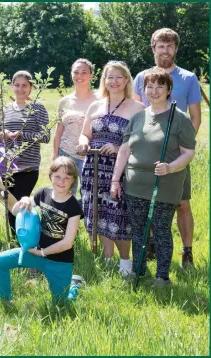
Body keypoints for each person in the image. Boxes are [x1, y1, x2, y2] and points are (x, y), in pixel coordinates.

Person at [112, 68, 196, 287]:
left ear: (169, 89)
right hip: (134, 185)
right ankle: (139, 271)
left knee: (161, 229)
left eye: (160, 86)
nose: (154, 91)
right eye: (150, 86)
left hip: (165, 184)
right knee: (138, 230)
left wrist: (170, 167)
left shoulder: (179, 119)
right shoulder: (138, 117)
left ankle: (162, 277)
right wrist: (115, 180)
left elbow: (188, 153)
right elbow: (124, 150)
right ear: (143, 89)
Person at [132, 28, 202, 268]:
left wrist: (183, 147)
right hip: (146, 153)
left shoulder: (188, 78)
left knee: (181, 203)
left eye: (169, 46)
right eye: (160, 46)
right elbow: (137, 113)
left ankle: (187, 252)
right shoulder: (141, 78)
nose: (165, 50)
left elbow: (195, 117)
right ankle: (151, 245)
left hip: (177, 154)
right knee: (146, 199)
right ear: (153, 49)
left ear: (176, 49)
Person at [76, 61, 145, 276]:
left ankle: (125, 263)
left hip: (120, 169)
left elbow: (142, 142)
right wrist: (83, 142)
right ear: (104, 80)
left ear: (126, 80)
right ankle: (107, 260)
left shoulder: (138, 108)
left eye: (119, 77)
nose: (114, 82)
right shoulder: (95, 105)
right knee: (99, 212)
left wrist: (118, 147)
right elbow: (86, 133)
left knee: (119, 213)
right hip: (93, 167)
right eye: (110, 77)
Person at [0, 157, 84, 304]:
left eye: (67, 178)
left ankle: (74, 287)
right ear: (50, 176)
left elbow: (67, 243)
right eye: (58, 176)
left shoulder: (74, 207)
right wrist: (26, 199)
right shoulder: (43, 194)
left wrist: (42, 252)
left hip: (59, 261)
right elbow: (22, 207)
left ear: (73, 180)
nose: (62, 181)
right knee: (0, 261)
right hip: (36, 253)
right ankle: (6, 301)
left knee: (61, 304)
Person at [0, 70, 50, 236]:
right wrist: (4, 135)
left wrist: (22, 135)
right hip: (8, 167)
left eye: (24, 85)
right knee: (10, 206)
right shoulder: (6, 109)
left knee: (20, 204)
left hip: (28, 167)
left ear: (31, 87)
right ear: (12, 86)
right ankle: (15, 240)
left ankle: (27, 237)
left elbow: (45, 136)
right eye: (17, 85)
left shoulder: (37, 108)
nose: (20, 89)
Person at [53, 59, 98, 198]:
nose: (80, 76)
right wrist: (55, 156)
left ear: (91, 75)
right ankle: (66, 220)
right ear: (71, 74)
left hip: (90, 155)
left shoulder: (99, 100)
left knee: (89, 195)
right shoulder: (65, 101)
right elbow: (59, 131)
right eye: (76, 72)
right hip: (66, 153)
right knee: (65, 194)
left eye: (84, 72)